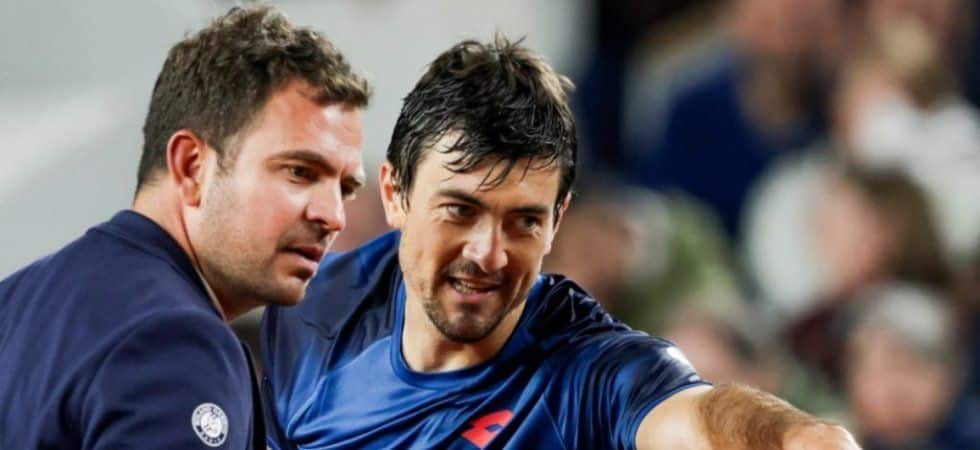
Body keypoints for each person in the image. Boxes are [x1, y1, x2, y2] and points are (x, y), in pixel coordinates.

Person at [261, 36, 859, 449]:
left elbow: (695, 415)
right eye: (460, 210)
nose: (489, 253)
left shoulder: (586, 372)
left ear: (558, 218)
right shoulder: (314, 311)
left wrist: (797, 437)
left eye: (524, 221)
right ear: (395, 194)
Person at [0, 5, 369, 449]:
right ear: (192, 166)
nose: (333, 216)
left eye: (345, 188)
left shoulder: (16, 301)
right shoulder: (178, 342)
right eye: (300, 172)